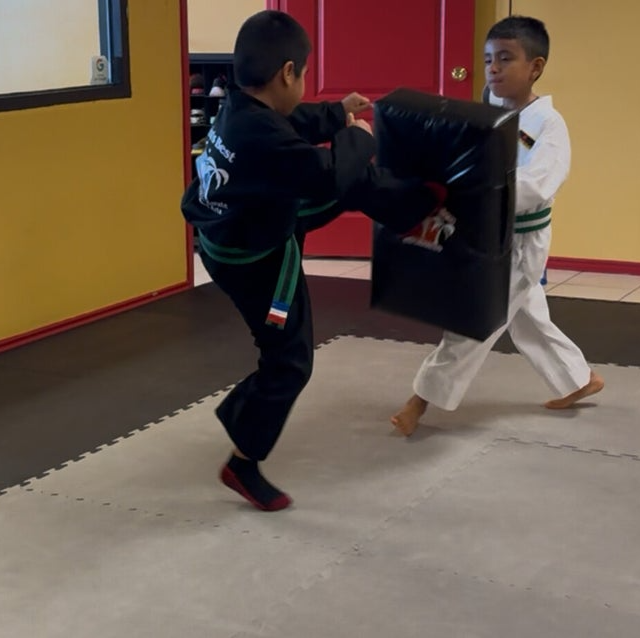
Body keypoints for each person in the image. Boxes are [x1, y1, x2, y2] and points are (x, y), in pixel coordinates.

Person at [181, 10, 448, 511]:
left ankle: (420, 215)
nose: (303, 83)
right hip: (259, 260)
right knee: (290, 360)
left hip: (236, 226)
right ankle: (243, 461)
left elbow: (294, 123)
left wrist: (334, 113)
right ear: (287, 73)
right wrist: (358, 136)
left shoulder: (238, 108)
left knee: (357, 185)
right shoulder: (262, 140)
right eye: (303, 73)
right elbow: (332, 176)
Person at [391, 15, 605, 436]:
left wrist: (478, 186)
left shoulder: (549, 125)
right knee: (527, 317)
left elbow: (539, 185)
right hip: (485, 231)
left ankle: (419, 402)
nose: (493, 68)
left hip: (521, 239)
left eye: (506, 59)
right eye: (489, 59)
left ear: (536, 67)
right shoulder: (489, 110)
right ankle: (579, 379)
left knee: (475, 319)